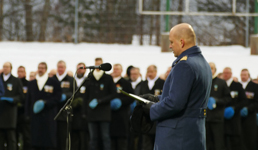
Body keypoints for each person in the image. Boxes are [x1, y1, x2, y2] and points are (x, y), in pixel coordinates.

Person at [138, 23, 212, 150]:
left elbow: (175, 103)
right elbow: (187, 97)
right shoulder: (203, 63)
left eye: (172, 42)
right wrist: (157, 98)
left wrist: (151, 109)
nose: (170, 46)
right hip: (193, 132)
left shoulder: (185, 65)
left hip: (177, 137)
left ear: (181, 42)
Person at [25, 62, 62, 150]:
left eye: (42, 68)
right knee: (36, 139)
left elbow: (58, 97)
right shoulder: (32, 83)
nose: (40, 70)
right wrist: (27, 114)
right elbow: (28, 100)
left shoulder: (53, 82)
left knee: (48, 139)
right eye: (39, 68)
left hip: (49, 115)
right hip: (35, 116)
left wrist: (46, 103)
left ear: (46, 69)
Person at [84, 57, 116, 150]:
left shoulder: (108, 78)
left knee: (105, 137)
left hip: (104, 112)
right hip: (92, 112)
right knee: (93, 138)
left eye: (100, 64)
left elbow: (113, 94)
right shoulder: (90, 77)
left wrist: (100, 101)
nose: (98, 66)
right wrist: (84, 111)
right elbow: (86, 96)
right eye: (96, 64)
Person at [206, 62, 231, 150]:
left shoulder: (221, 83)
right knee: (207, 143)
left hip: (217, 118)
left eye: (212, 68)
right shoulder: (203, 82)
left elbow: (228, 98)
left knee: (218, 143)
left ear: (215, 70)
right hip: (205, 118)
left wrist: (217, 101)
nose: (210, 70)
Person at [139, 65, 165, 150]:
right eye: (148, 72)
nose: (149, 74)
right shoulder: (143, 83)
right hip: (145, 116)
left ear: (155, 72)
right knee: (145, 142)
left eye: (151, 72)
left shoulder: (162, 82)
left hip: (158, 115)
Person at [110, 64, 134, 150]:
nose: (115, 71)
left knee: (122, 141)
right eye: (114, 69)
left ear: (121, 71)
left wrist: (121, 102)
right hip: (110, 116)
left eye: (117, 69)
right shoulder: (109, 82)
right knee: (111, 141)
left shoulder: (126, 83)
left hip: (122, 115)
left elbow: (131, 97)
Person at [0, 62, 24, 150]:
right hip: (0, 112)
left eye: (7, 67)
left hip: (10, 113)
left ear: (11, 68)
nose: (5, 68)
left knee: (11, 138)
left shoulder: (16, 80)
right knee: (1, 138)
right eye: (4, 67)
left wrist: (12, 99)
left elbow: (21, 96)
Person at [53, 60, 75, 150]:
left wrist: (65, 96)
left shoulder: (70, 79)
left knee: (63, 137)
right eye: (59, 67)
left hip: (64, 114)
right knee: (53, 136)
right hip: (53, 112)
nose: (60, 69)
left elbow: (74, 93)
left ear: (65, 68)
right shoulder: (52, 79)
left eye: (62, 67)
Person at [222, 67, 246, 150]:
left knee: (235, 140)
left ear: (231, 74)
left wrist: (235, 108)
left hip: (234, 117)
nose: (225, 74)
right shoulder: (221, 84)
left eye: (227, 73)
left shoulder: (237, 86)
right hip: (222, 117)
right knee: (224, 140)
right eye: (224, 73)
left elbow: (243, 100)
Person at [239, 68, 258, 150]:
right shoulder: (238, 86)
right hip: (238, 117)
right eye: (242, 75)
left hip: (250, 117)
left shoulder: (254, 86)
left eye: (245, 75)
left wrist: (248, 109)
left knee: (250, 138)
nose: (243, 76)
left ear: (248, 76)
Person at [73, 62, 88, 150]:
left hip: (84, 113)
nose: (80, 70)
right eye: (78, 68)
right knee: (74, 137)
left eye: (82, 68)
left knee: (84, 138)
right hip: (74, 113)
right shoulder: (72, 80)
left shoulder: (88, 80)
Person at [17, 66, 31, 150]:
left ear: (25, 73)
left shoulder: (28, 84)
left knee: (27, 136)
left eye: (22, 71)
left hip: (25, 114)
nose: (20, 73)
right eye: (18, 71)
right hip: (16, 114)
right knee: (16, 135)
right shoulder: (15, 82)